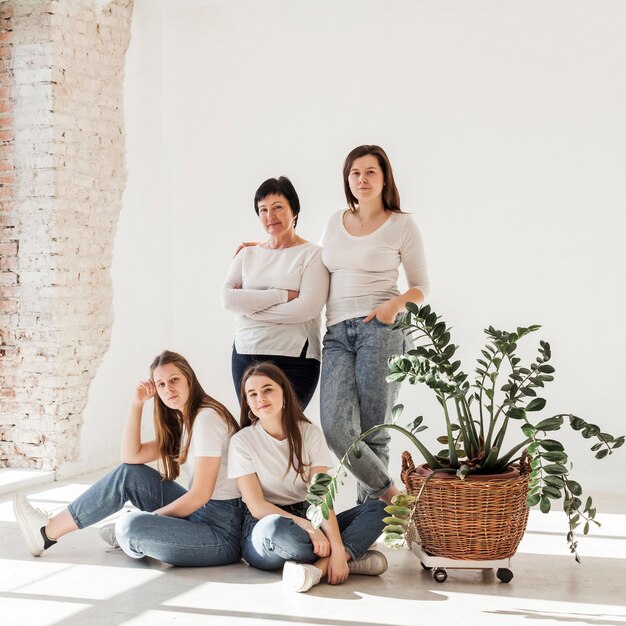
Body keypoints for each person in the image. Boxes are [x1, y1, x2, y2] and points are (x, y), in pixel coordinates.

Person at [13, 350, 244, 567]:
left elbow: (200, 495)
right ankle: (47, 532)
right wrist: (137, 403)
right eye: (161, 384)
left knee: (130, 526)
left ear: (189, 380)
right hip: (201, 515)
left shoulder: (206, 419)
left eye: (174, 380)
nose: (168, 389)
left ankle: (137, 533)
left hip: (221, 532)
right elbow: (131, 456)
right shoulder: (186, 421)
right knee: (129, 474)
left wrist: (152, 519)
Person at [320, 145, 429, 505]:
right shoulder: (335, 222)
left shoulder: (401, 224)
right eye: (355, 173)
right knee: (336, 427)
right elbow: (315, 262)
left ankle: (367, 534)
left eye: (370, 172)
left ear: (384, 178)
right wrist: (267, 246)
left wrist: (393, 307)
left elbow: (420, 288)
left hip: (381, 332)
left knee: (373, 433)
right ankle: (394, 499)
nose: (362, 179)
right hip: (337, 333)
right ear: (347, 179)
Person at [228, 361, 387, 593]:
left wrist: (324, 534)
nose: (260, 397)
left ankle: (323, 567)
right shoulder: (242, 442)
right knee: (275, 529)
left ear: (284, 392)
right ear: (248, 404)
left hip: (311, 514)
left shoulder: (309, 433)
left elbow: (321, 497)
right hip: (266, 526)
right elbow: (257, 506)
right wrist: (310, 529)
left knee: (380, 509)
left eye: (267, 389)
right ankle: (348, 556)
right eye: (252, 394)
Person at [221, 176, 329, 410]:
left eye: (278, 207)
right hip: (245, 355)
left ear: (294, 210)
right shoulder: (246, 255)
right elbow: (229, 300)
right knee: (252, 433)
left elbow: (307, 308)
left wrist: (253, 312)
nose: (271, 216)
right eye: (263, 209)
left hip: (295, 359)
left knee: (286, 433)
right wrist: (282, 295)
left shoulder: (313, 255)